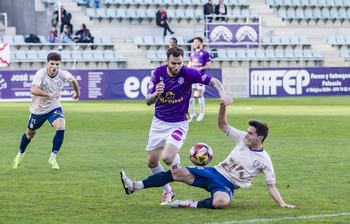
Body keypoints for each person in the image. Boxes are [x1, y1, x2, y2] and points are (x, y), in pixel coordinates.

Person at [120, 102, 296, 209]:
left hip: (228, 186)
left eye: (251, 133)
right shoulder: (242, 138)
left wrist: (282, 203)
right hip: (215, 172)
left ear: (260, 138)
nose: (246, 135)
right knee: (177, 173)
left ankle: (188, 203)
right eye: (247, 132)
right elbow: (223, 125)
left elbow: (271, 186)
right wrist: (222, 107)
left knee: (221, 203)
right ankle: (135, 186)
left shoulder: (265, 160)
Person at [142, 47, 232, 206]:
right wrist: (157, 93)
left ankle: (174, 154)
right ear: (167, 62)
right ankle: (167, 191)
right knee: (151, 162)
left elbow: (213, 81)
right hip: (159, 122)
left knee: (167, 158)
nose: (177, 67)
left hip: (178, 122)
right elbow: (148, 101)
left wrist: (222, 93)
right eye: (173, 63)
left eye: (179, 63)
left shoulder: (188, 73)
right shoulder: (158, 73)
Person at [12, 52, 80, 170]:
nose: (54, 67)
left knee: (61, 127)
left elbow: (74, 81)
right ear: (47, 63)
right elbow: (33, 89)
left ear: (60, 64)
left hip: (54, 107)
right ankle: (20, 155)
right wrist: (49, 94)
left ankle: (52, 157)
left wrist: (77, 94)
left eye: (57, 64)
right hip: (38, 110)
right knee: (30, 135)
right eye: (52, 64)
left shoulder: (63, 75)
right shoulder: (41, 73)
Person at [187, 37, 211, 122]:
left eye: (196, 42)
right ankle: (192, 113)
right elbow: (189, 64)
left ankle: (201, 113)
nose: (195, 44)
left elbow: (209, 65)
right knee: (190, 95)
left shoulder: (205, 53)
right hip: (192, 76)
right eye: (194, 42)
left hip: (201, 76)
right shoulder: (192, 53)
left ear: (201, 43)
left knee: (200, 94)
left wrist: (201, 68)